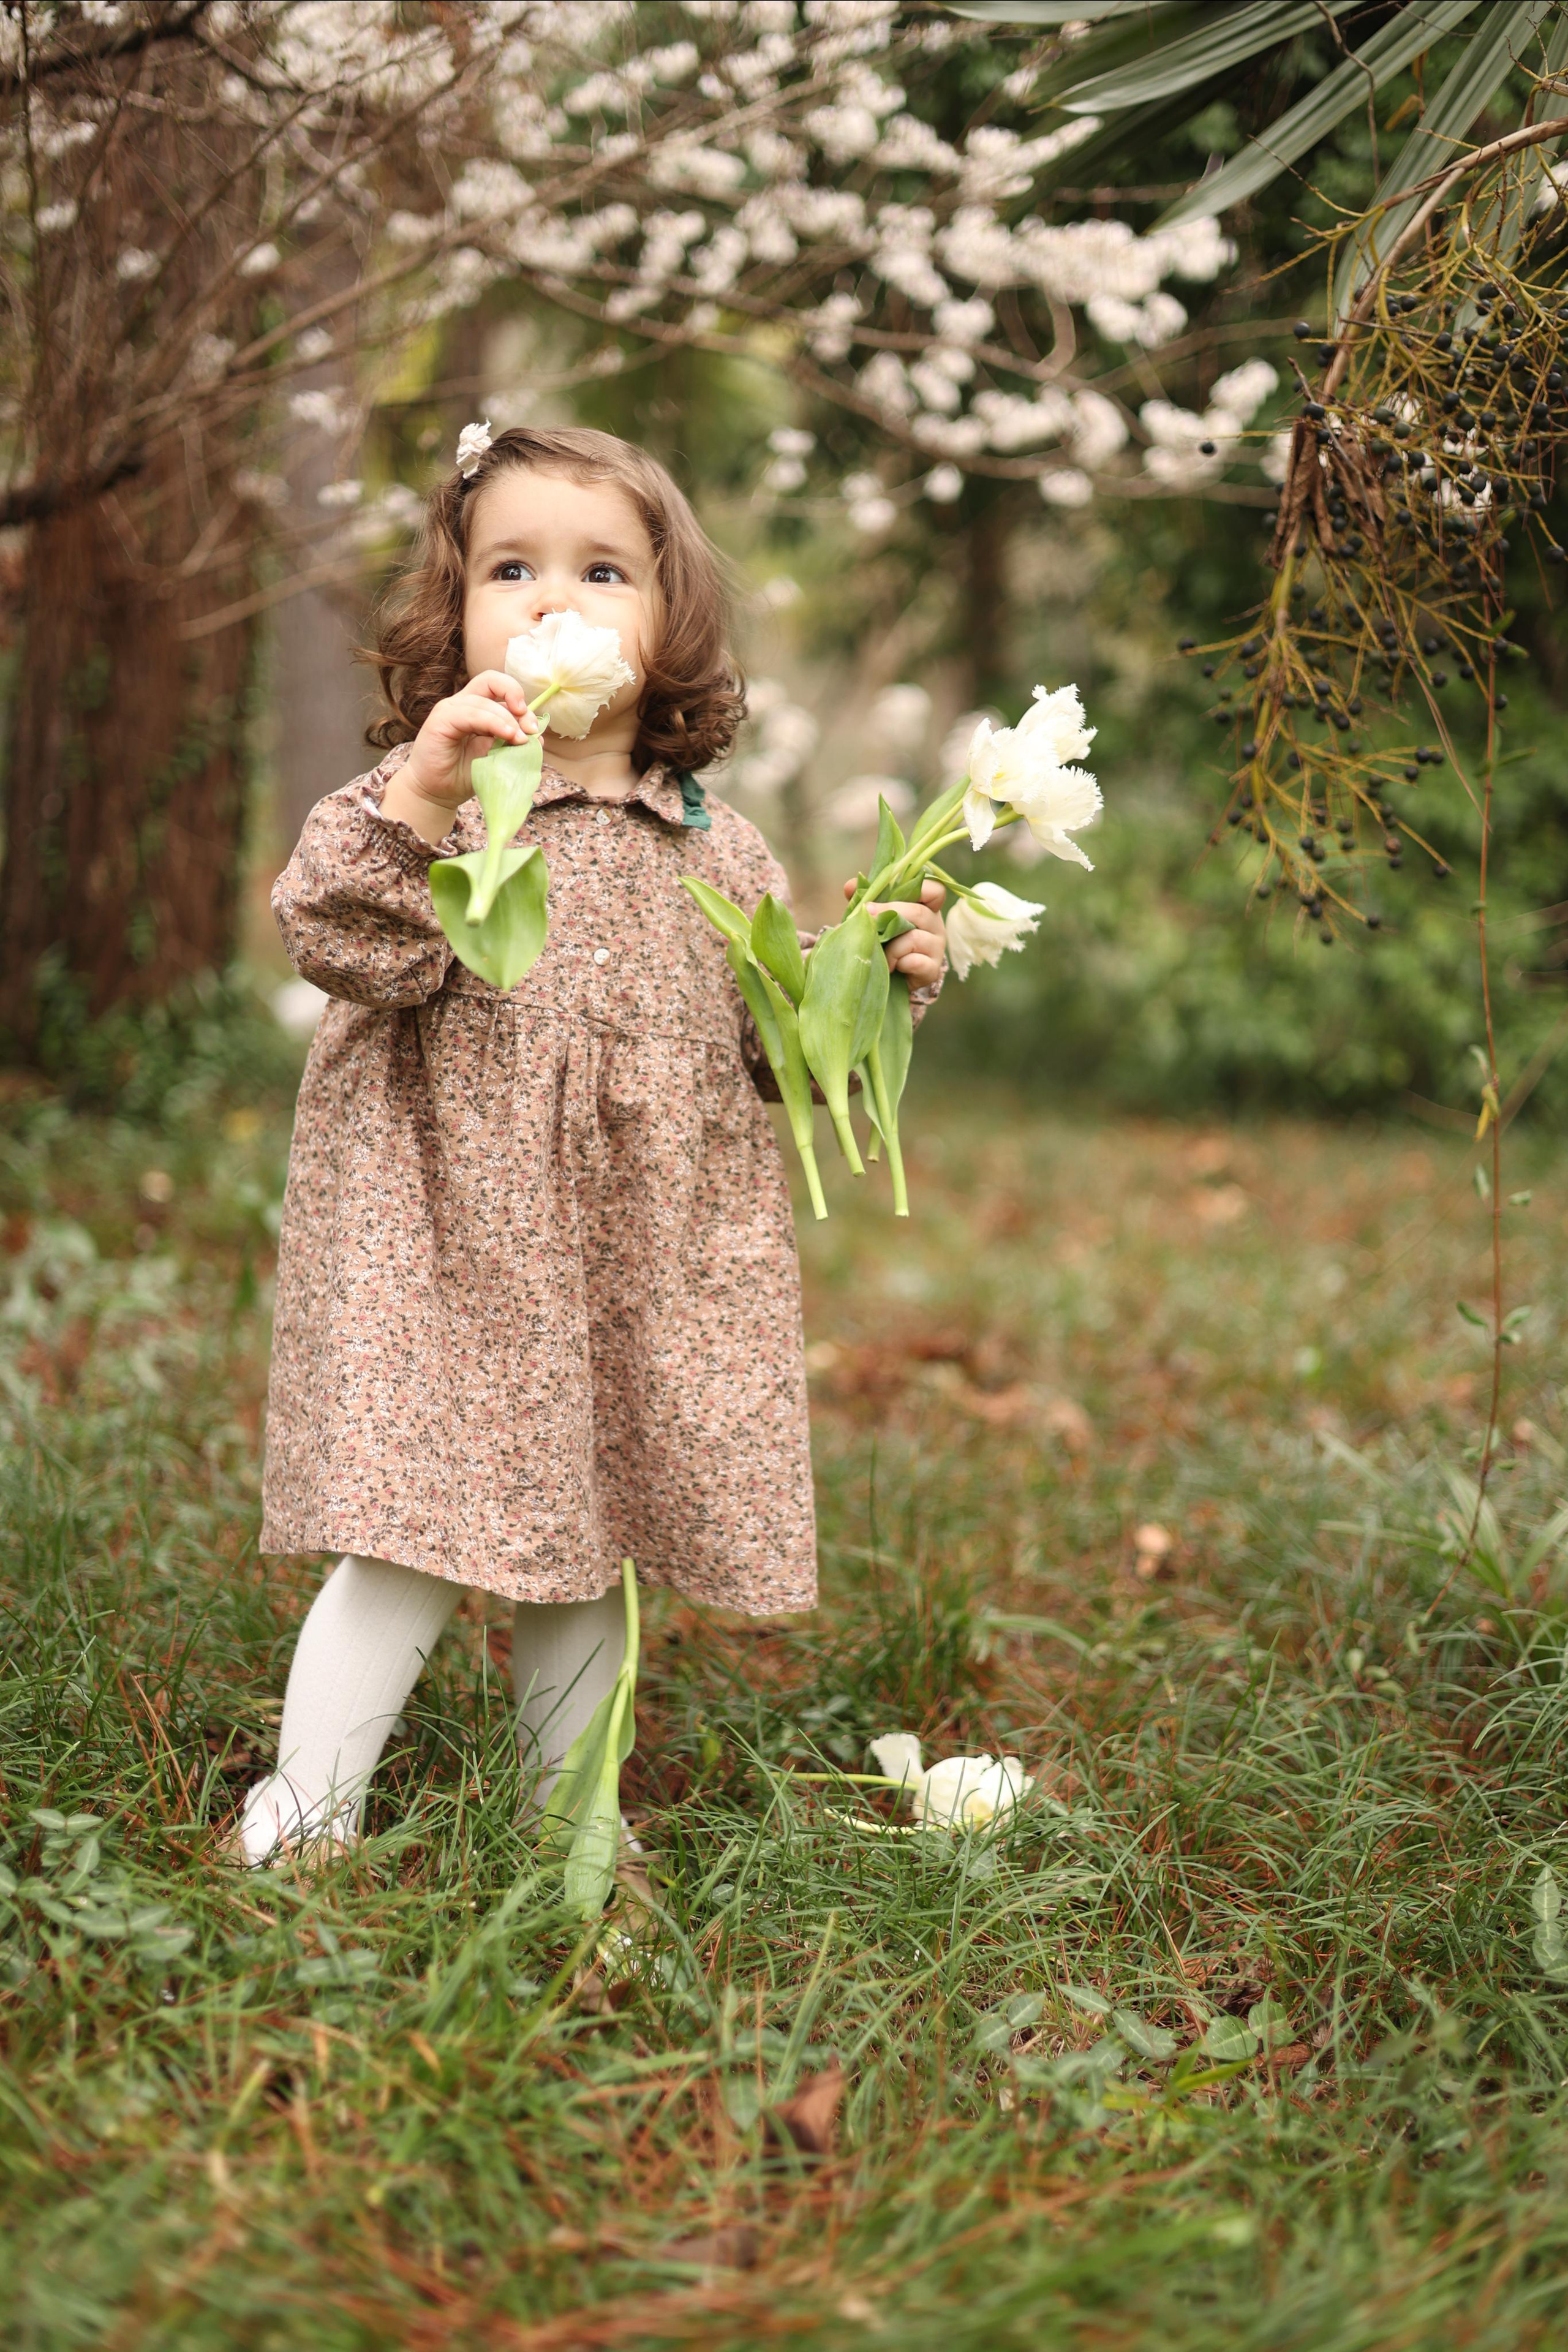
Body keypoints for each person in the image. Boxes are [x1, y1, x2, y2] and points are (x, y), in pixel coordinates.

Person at [236, 423, 946, 1864]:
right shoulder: (440, 814)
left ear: (670, 616)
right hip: (446, 1241)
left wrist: (875, 969)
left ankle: (572, 1821)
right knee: (412, 1537)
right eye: (510, 567)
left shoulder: (715, 848)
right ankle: (305, 1815)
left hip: (631, 1257)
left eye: (601, 569)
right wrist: (427, 794)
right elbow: (331, 927)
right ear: (454, 612)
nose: (554, 600)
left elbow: (774, 1049)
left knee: (593, 1537)